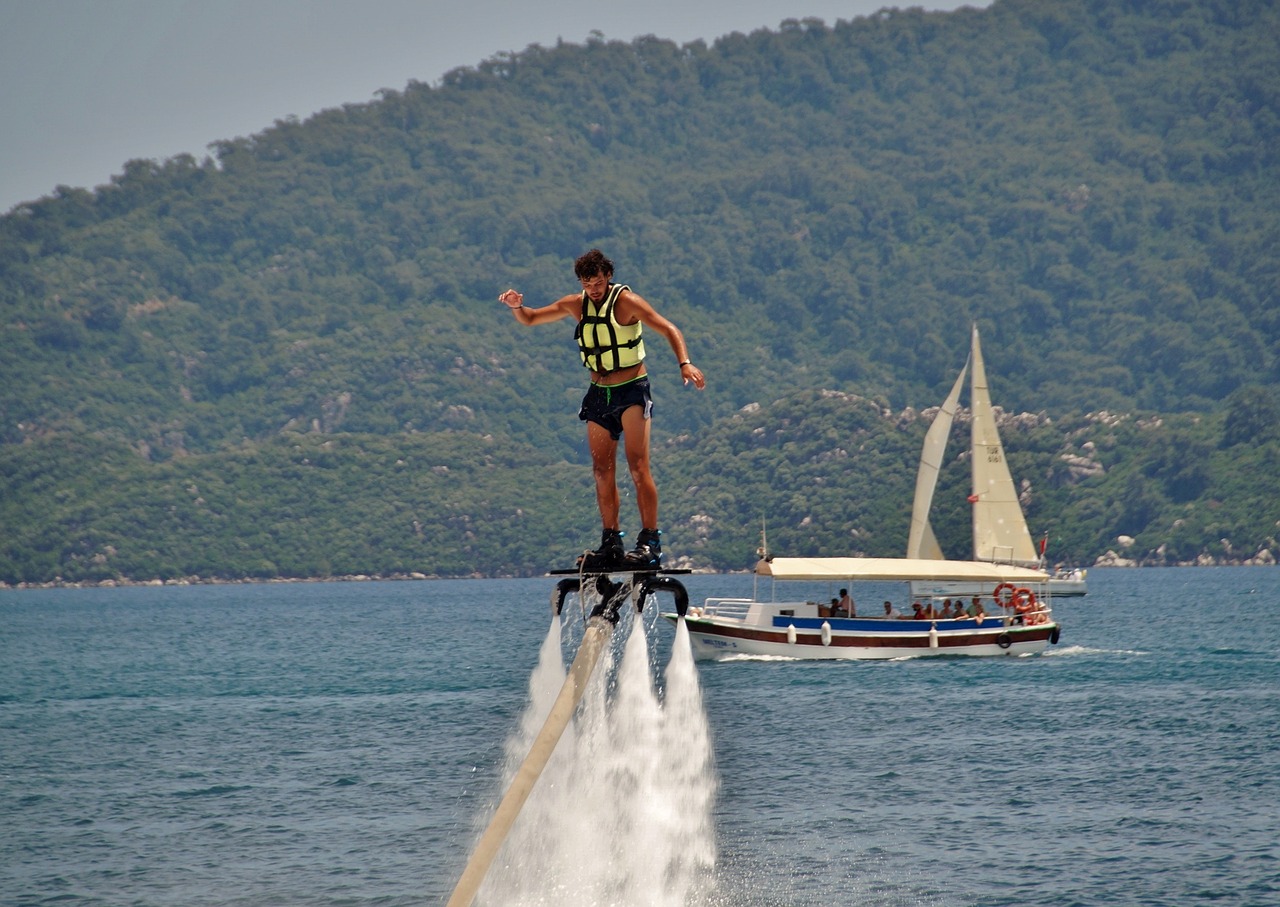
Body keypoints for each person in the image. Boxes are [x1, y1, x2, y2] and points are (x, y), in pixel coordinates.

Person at [499, 250, 706, 569]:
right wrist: (517, 307)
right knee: (601, 470)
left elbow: (668, 328)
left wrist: (685, 363)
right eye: (587, 283)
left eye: (598, 282)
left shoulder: (628, 302)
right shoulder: (575, 304)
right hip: (599, 394)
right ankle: (611, 542)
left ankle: (650, 542)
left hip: (632, 390)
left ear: (608, 276)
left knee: (638, 467)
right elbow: (531, 318)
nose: (593, 289)